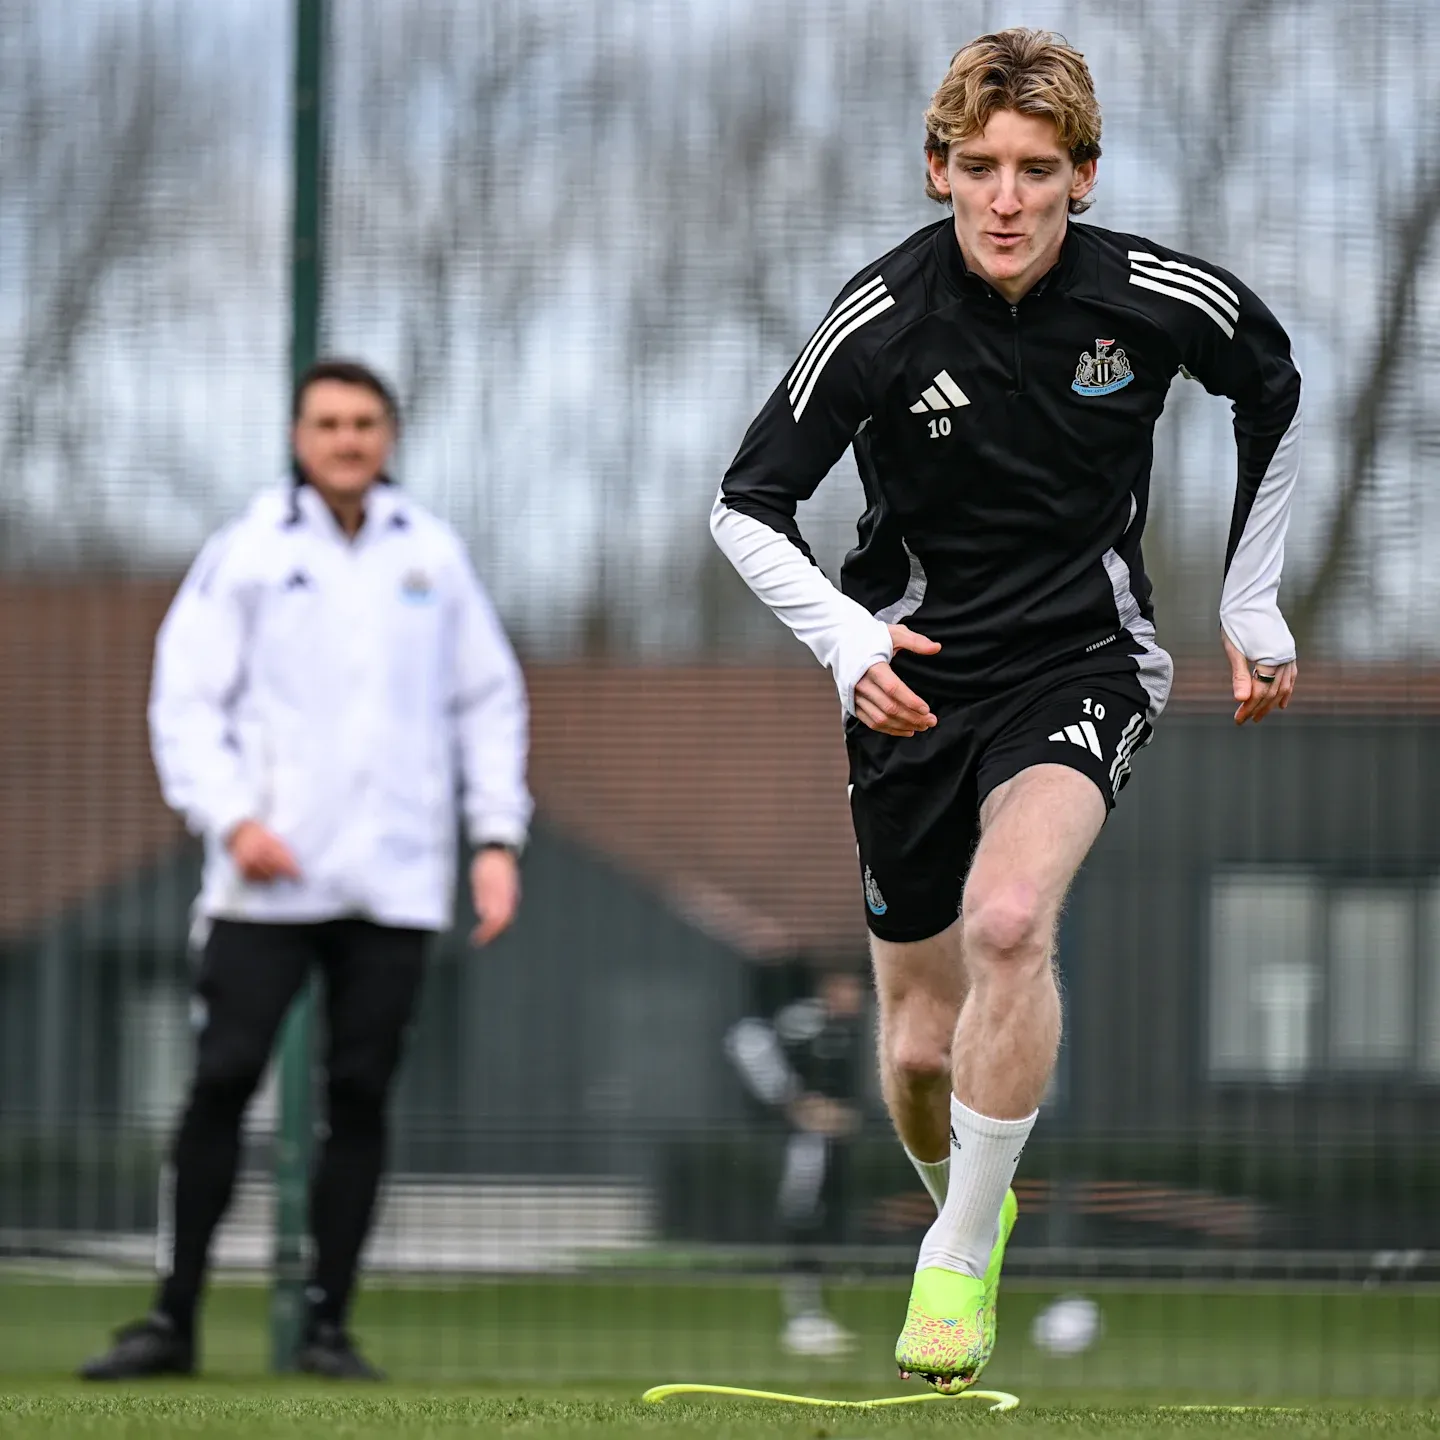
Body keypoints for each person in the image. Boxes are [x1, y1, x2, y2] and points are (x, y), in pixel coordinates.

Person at [711, 28, 1300, 1391]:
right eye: (979, 167)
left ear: (1084, 175)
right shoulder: (882, 317)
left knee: (1012, 919)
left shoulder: (1151, 298)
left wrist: (1251, 599)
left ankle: (957, 1255)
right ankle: (973, 1200)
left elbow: (1270, 386)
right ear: (939, 171)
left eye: (1038, 169)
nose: (1008, 198)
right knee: (919, 1051)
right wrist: (845, 639)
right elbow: (745, 506)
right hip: (910, 687)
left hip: (1082, 664)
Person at [81, 359, 532, 1381]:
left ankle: (327, 1327)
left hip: (395, 880)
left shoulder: (433, 557)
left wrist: (496, 840)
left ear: (389, 436)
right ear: (298, 437)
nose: (346, 440)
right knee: (222, 1081)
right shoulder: (246, 551)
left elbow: (490, 702)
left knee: (359, 1094)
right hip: (265, 882)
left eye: (364, 423)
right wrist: (231, 818)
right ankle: (172, 1318)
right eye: (328, 423)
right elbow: (185, 698)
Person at [725, 966, 866, 1358]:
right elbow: (747, 1041)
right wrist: (796, 1103)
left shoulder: (846, 1032)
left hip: (830, 1146)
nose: (854, 999)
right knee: (803, 1217)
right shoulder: (800, 1025)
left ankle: (815, 1312)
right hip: (803, 1144)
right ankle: (803, 1314)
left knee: (823, 1220)